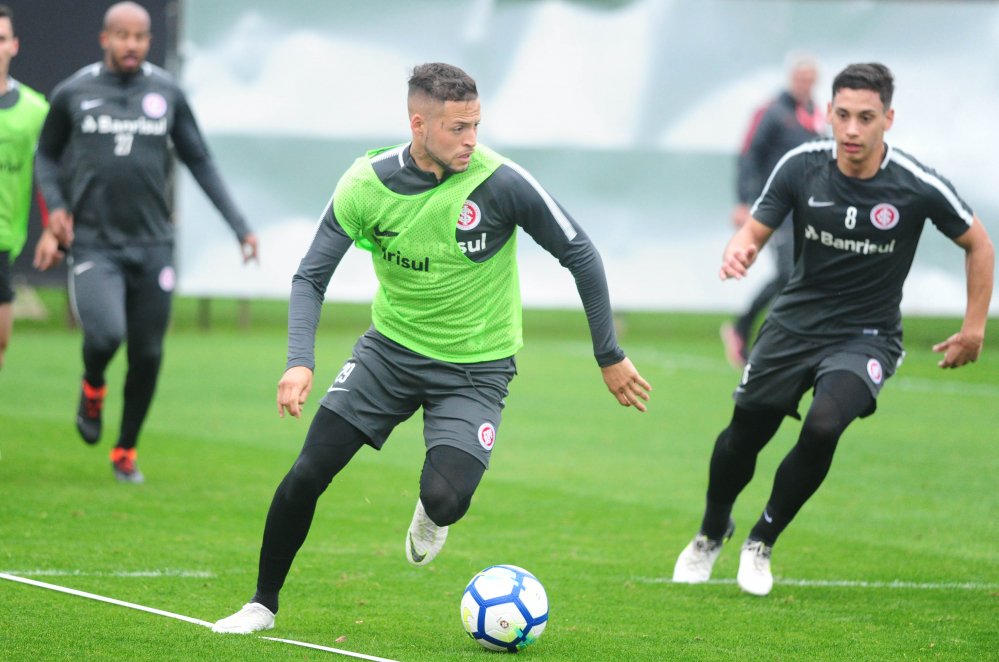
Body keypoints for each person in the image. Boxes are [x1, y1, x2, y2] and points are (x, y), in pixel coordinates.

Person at [212, 62, 651, 634]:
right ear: (418, 124)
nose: (471, 140)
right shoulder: (365, 184)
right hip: (388, 357)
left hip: (476, 368)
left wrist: (609, 355)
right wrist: (299, 360)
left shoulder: (500, 182)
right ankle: (261, 606)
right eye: (457, 128)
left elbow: (581, 254)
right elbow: (310, 277)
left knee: (446, 498)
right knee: (308, 471)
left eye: (475, 125)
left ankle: (430, 513)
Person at [673, 63, 993, 596]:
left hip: (866, 336)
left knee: (823, 424)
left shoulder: (916, 185)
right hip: (794, 325)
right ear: (829, 113)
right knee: (744, 437)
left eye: (865, 118)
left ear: (887, 120)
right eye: (842, 115)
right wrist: (740, 249)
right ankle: (711, 531)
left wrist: (974, 328)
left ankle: (762, 541)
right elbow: (755, 228)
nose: (851, 129)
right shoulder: (801, 165)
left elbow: (978, 243)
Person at [34, 2, 258, 482]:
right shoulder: (74, 92)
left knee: (149, 354)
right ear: (105, 39)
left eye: (140, 36)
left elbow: (200, 160)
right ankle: (93, 386)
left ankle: (125, 451)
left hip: (154, 244)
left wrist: (240, 226)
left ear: (149, 40)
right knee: (105, 335)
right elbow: (47, 156)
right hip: (95, 244)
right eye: (122, 35)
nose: (131, 44)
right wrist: (55, 207)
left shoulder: (166, 92)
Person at [721, 53, 824, 369]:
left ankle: (788, 342)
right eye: (799, 76)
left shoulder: (818, 116)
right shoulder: (772, 112)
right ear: (791, 78)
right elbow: (748, 155)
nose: (804, 82)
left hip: (806, 209)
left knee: (802, 275)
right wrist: (742, 201)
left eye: (809, 77)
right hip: (775, 207)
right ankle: (744, 330)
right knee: (787, 273)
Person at [0, 4, 49, 371]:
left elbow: (52, 172)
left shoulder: (35, 110)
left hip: (3, 239)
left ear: (14, 45)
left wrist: (51, 228)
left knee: (2, 341)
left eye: (0, 39)